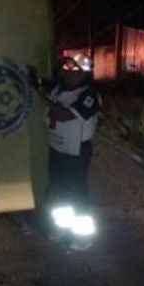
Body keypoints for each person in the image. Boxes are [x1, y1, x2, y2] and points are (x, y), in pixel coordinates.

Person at [28, 54, 101, 251]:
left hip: (77, 151)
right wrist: (36, 81)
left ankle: (83, 235)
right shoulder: (60, 87)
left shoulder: (90, 95)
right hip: (57, 147)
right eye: (66, 71)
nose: (68, 75)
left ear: (85, 73)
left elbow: (65, 115)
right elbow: (46, 84)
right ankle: (62, 228)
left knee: (77, 192)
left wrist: (39, 93)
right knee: (59, 190)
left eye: (74, 72)